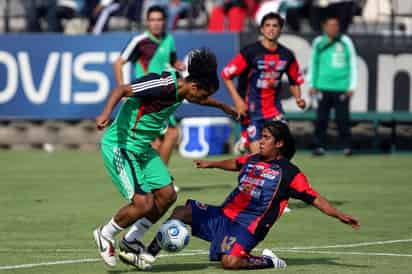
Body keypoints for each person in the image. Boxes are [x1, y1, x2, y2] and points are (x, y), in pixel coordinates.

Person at [132, 120, 360, 270]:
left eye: (266, 138)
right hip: (223, 215)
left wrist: (339, 214)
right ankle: (149, 255)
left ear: (279, 144)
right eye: (261, 136)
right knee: (182, 211)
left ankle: (268, 261)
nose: (261, 141)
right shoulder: (253, 159)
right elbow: (235, 163)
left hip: (247, 227)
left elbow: (315, 198)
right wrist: (211, 164)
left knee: (230, 262)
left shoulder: (290, 173)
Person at [93, 48, 237, 267]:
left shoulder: (185, 90)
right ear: (194, 86)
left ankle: (132, 240)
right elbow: (122, 89)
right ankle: (105, 234)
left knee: (168, 195)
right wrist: (105, 114)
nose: (204, 99)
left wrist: (222, 106)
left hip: (142, 149)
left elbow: (199, 100)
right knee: (143, 203)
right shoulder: (162, 84)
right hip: (121, 146)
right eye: (204, 95)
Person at [221, 12, 306, 154]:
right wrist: (239, 102)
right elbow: (226, 75)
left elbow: (294, 80)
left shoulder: (287, 55)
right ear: (261, 29)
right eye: (267, 26)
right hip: (252, 110)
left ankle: (245, 140)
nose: (271, 29)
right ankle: (247, 140)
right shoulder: (250, 52)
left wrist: (298, 98)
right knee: (258, 156)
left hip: (274, 109)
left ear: (280, 29)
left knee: (281, 150)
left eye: (275, 26)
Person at [113, 5, 185, 167]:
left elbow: (172, 61)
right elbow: (119, 63)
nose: (156, 23)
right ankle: (161, 181)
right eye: (152, 20)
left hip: (166, 95)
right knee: (167, 137)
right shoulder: (140, 41)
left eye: (159, 20)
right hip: (148, 96)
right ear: (147, 22)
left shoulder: (169, 40)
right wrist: (123, 90)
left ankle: (158, 183)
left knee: (165, 139)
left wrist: (178, 65)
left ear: (164, 21)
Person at [308, 16, 357, 156]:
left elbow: (353, 64)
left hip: (341, 87)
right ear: (324, 27)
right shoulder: (319, 42)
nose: (333, 28)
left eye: (336, 25)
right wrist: (312, 84)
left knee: (343, 119)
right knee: (321, 119)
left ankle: (346, 147)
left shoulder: (345, 41)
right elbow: (313, 63)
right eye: (330, 25)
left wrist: (351, 86)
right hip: (322, 86)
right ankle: (319, 146)